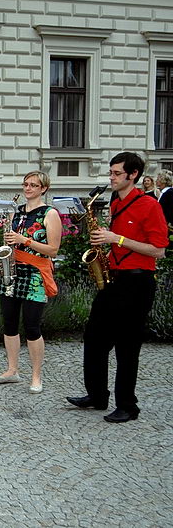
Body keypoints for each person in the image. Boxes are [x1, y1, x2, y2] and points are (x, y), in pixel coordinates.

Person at [67, 152, 168, 423]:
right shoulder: (115, 201)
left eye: (116, 173)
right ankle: (97, 395)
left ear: (133, 175)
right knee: (94, 338)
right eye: (110, 172)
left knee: (127, 346)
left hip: (138, 282)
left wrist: (117, 239)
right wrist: (105, 245)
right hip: (114, 278)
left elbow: (158, 250)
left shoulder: (149, 205)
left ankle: (128, 405)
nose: (111, 178)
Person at [0, 171, 61, 394]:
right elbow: (11, 241)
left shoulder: (50, 214)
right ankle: (12, 370)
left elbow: (53, 250)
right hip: (13, 270)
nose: (28, 188)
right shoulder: (17, 212)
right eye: (26, 184)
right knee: (9, 323)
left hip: (35, 274)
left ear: (43, 188)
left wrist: (25, 240)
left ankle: (36, 376)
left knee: (32, 326)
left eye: (33, 185)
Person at [157, 170, 173, 246]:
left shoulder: (170, 193)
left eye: (158, 178)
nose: (156, 180)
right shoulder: (164, 192)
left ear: (163, 180)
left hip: (167, 226)